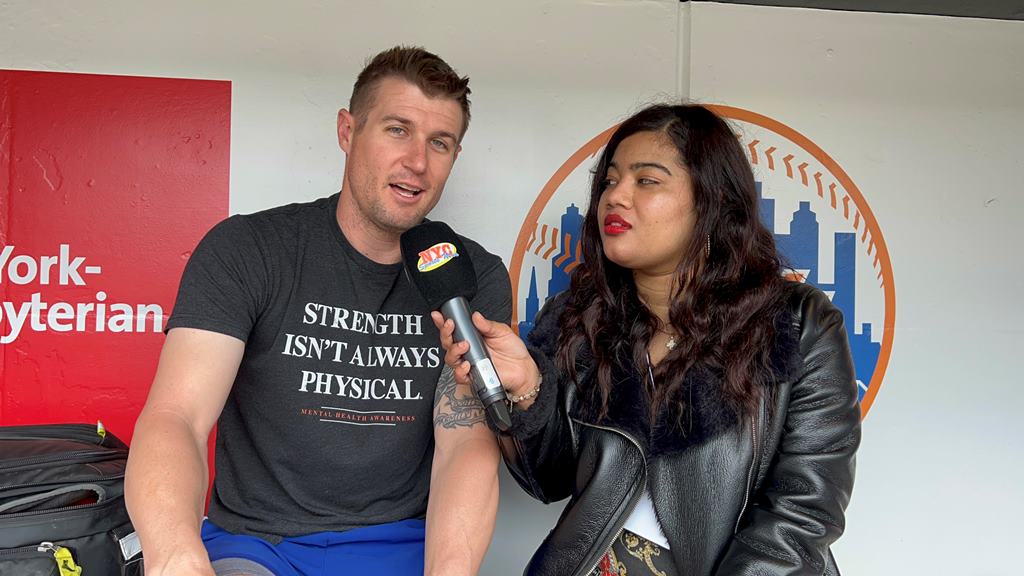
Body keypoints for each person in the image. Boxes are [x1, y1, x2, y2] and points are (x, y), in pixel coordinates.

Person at [125, 46, 511, 576]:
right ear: (348, 131)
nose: (418, 162)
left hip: (400, 546)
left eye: (439, 142)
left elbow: (464, 444)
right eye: (397, 129)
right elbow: (177, 418)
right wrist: (176, 559)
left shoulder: (470, 275)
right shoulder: (248, 248)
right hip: (258, 546)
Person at [435, 103, 860, 576]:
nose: (616, 197)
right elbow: (550, 480)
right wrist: (529, 388)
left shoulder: (797, 325)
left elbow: (804, 509)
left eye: (647, 181)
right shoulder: (579, 318)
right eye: (610, 181)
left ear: (712, 201)